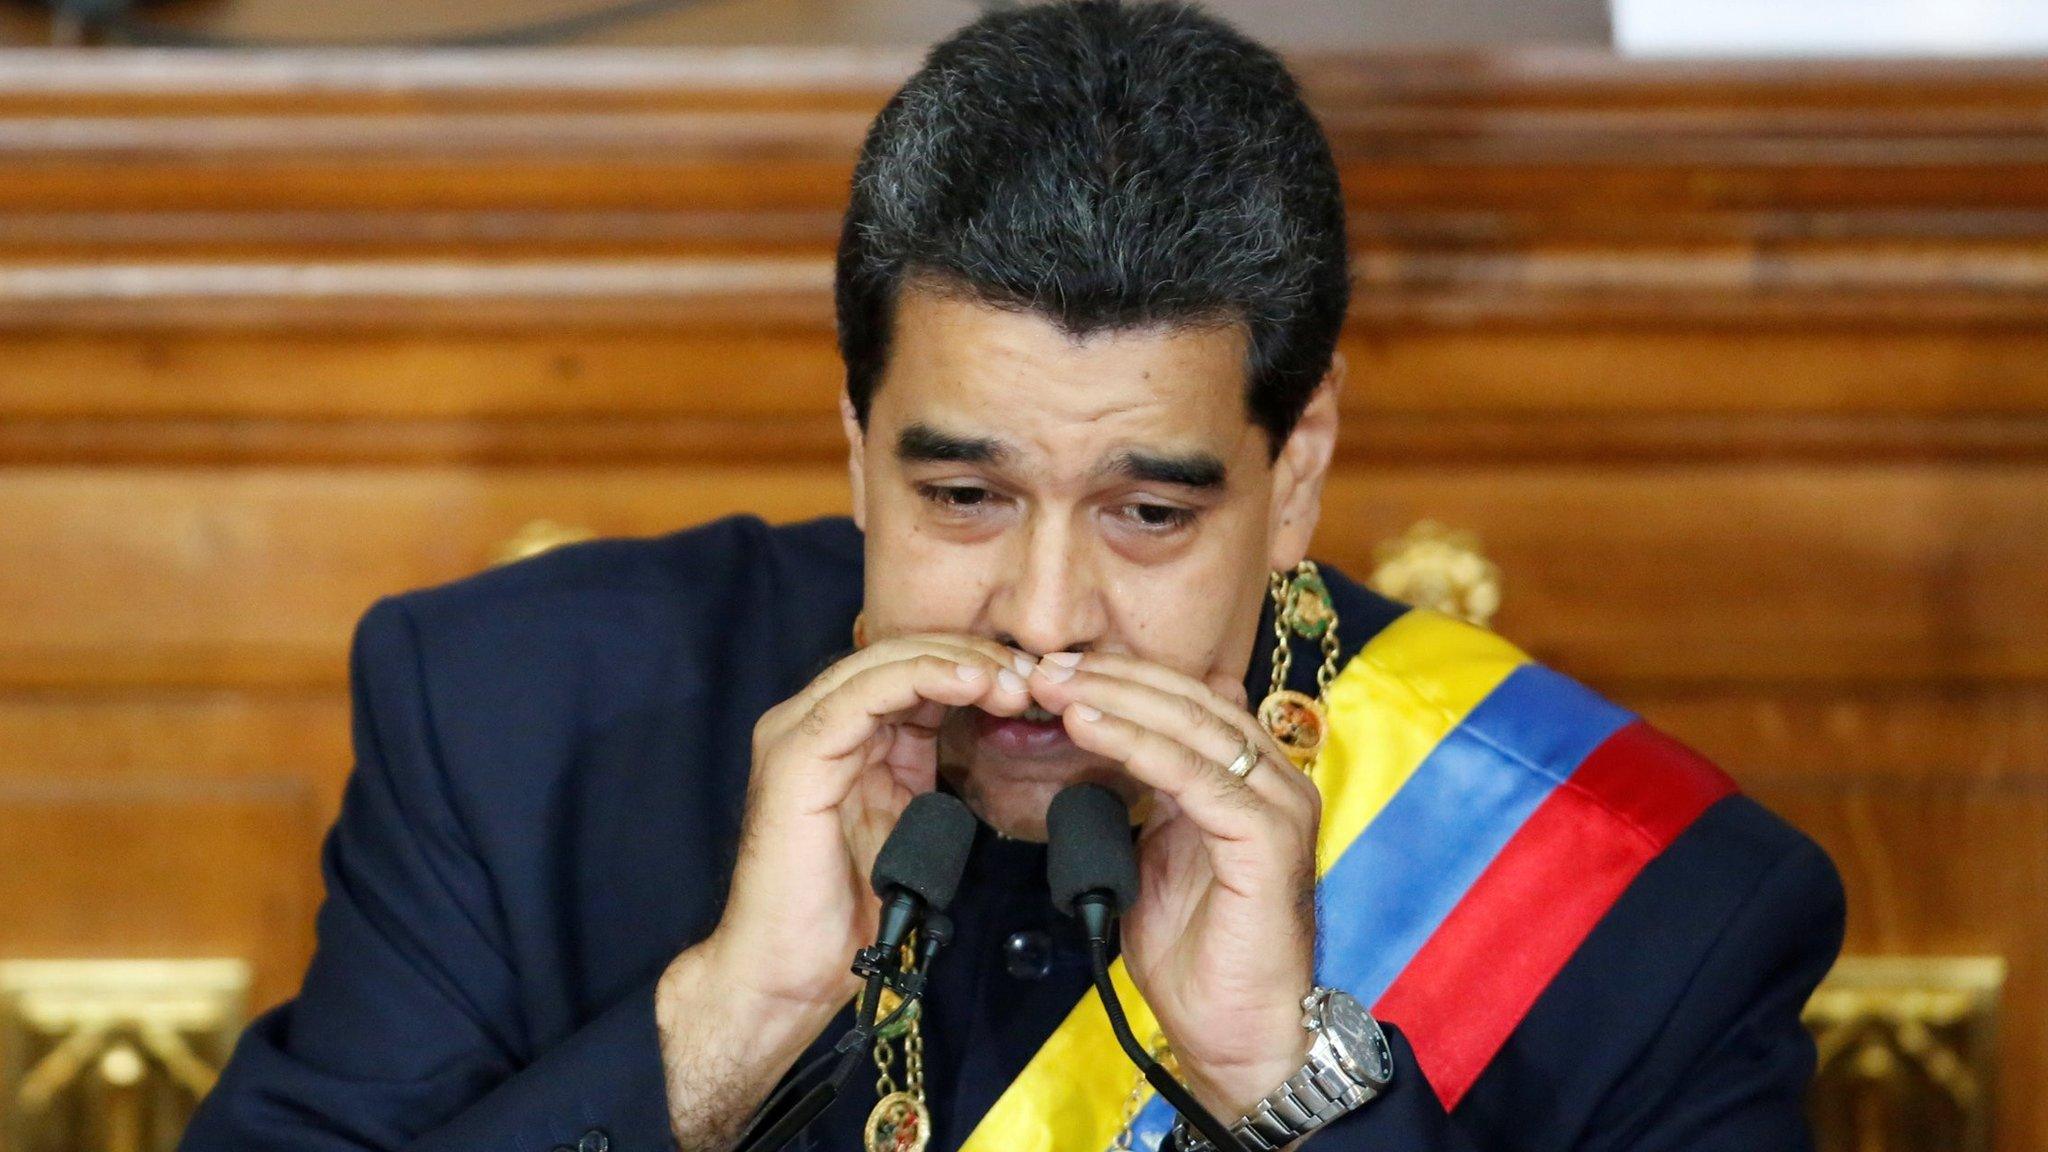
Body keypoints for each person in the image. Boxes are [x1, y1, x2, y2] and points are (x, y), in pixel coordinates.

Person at [179, 3, 1845, 1150]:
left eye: (1148, 516)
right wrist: (710, 1042)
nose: (1043, 620)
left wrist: (1288, 1087)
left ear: (1299, 469)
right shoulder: (507, 724)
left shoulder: (1652, 911)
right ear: (854, 439)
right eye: (965, 494)